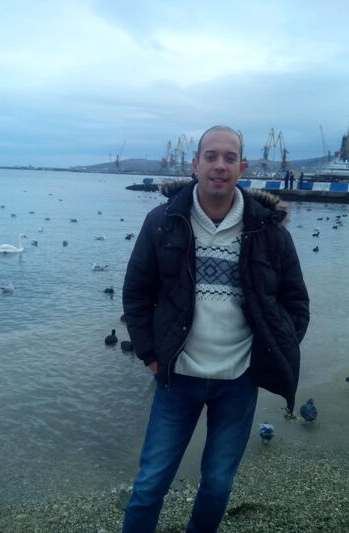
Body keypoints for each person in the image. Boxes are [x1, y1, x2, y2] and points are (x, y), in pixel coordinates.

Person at [122, 125, 310, 533]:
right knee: (151, 482)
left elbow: (296, 304)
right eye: (211, 156)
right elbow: (136, 295)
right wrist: (151, 356)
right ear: (195, 164)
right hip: (177, 378)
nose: (219, 165)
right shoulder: (162, 222)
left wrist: (270, 352)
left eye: (229, 157)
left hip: (238, 381)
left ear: (243, 167)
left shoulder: (269, 232)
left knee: (218, 481)